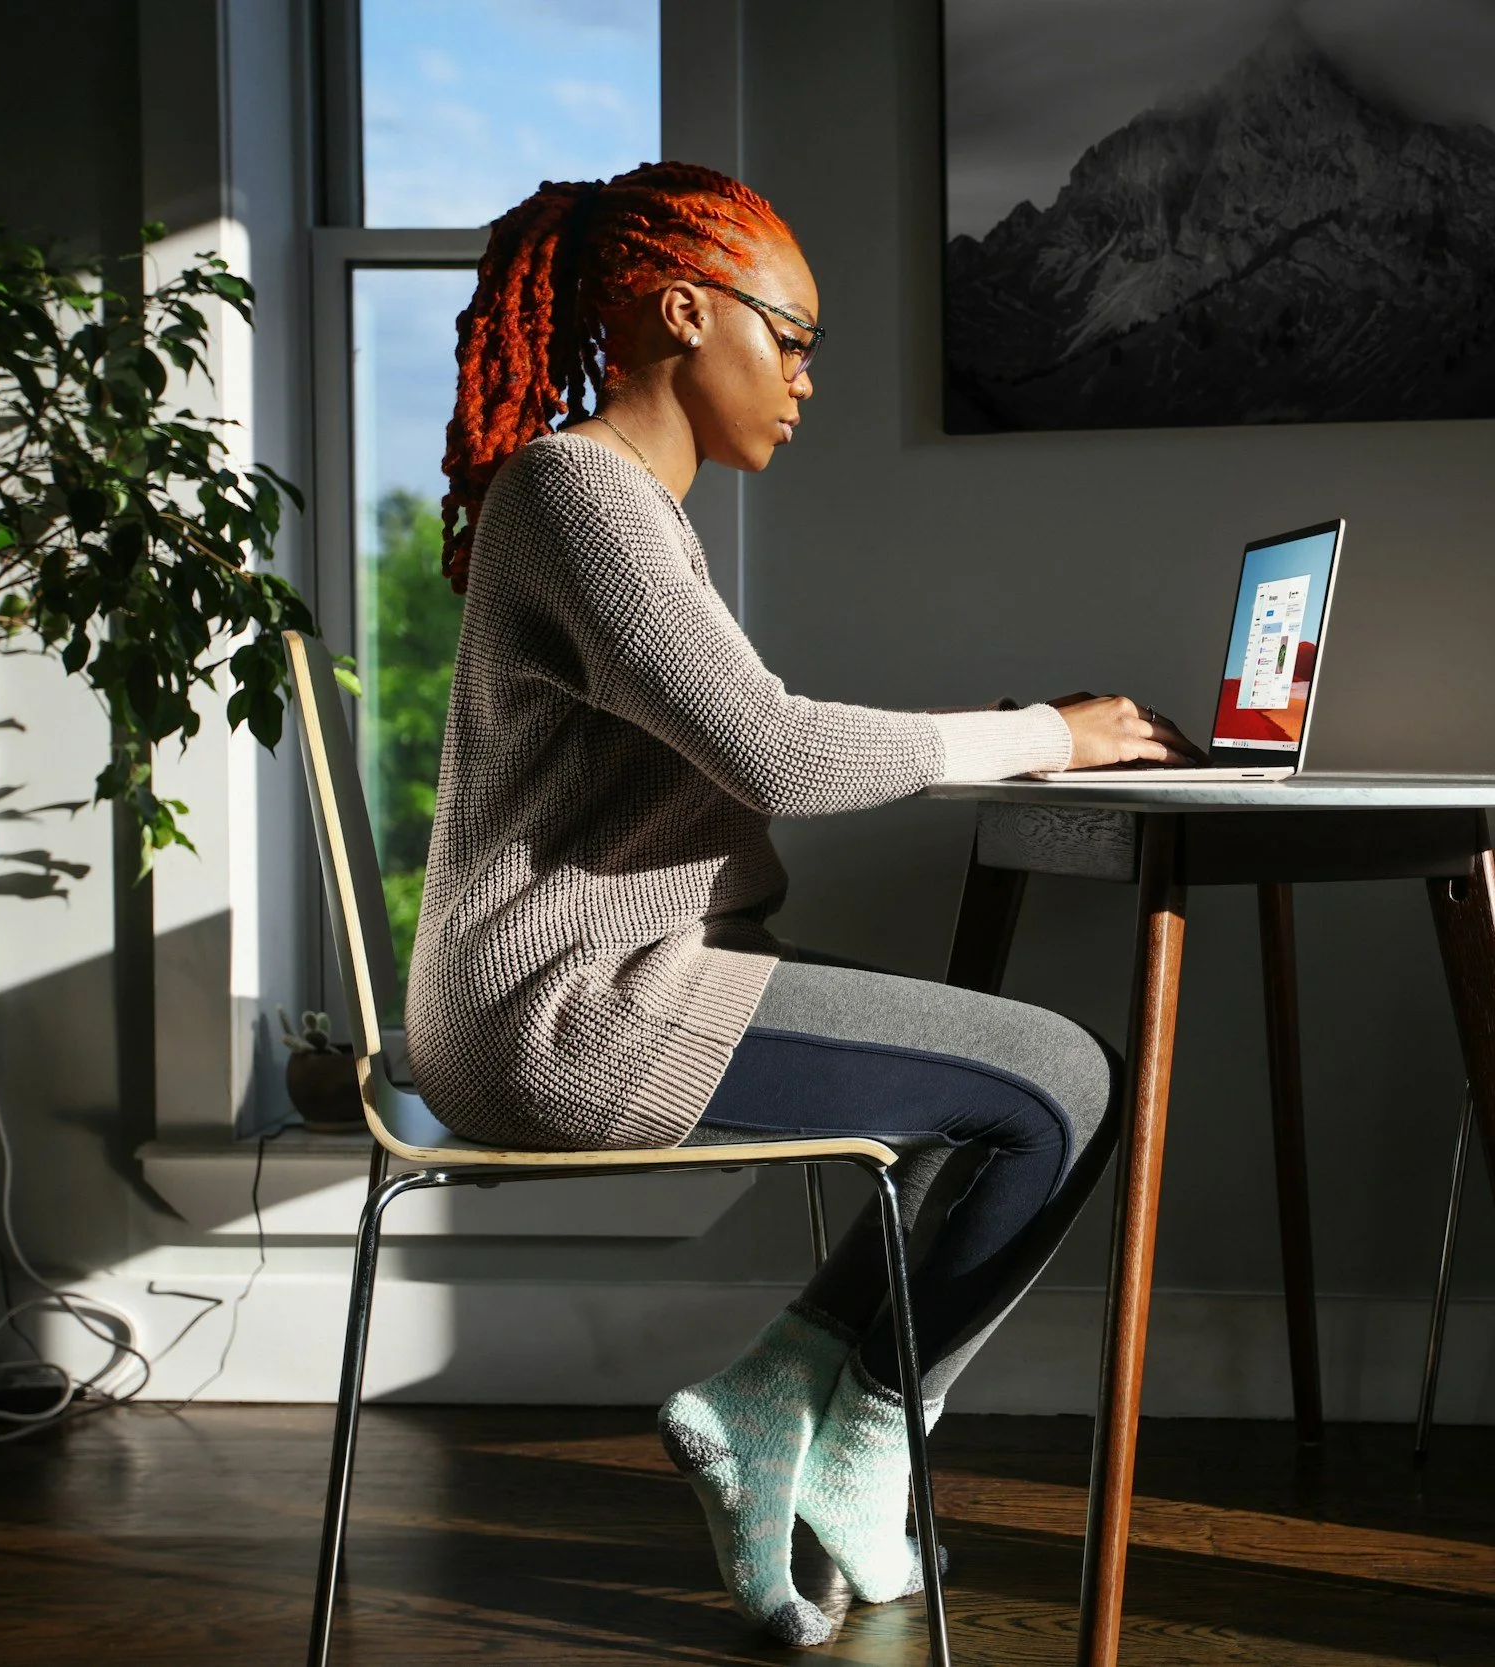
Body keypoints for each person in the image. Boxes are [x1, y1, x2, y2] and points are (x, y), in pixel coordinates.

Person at [405, 161, 1204, 1646]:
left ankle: (789, 1408)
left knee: (1011, 1086)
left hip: (593, 986)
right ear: (681, 307)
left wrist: (1042, 730)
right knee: (1067, 1084)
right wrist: (1052, 733)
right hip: (567, 1013)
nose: (806, 380)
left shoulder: (612, 503)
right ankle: (831, 1425)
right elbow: (771, 743)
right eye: (792, 337)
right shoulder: (580, 493)